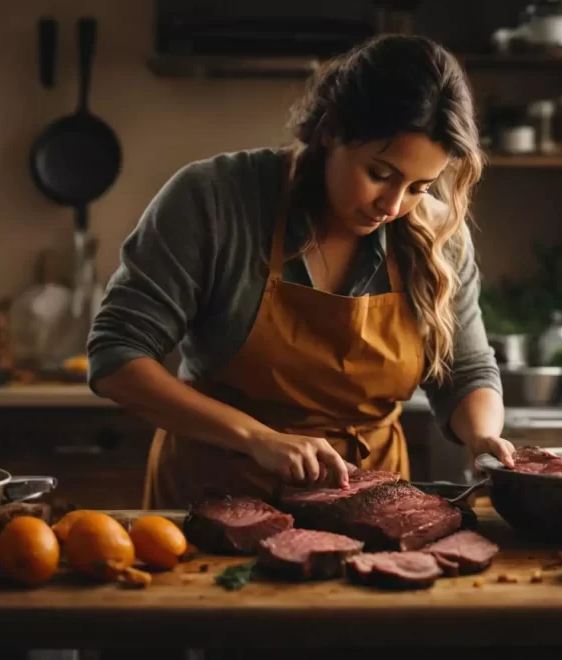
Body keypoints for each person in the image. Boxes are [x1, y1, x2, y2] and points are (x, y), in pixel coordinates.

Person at [87, 34, 514, 510]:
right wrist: (256, 438)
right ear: (332, 130)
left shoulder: (438, 234)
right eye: (380, 173)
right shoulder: (214, 200)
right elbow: (117, 358)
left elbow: (467, 371)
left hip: (370, 506)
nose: (393, 206)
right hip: (216, 496)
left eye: (420, 186)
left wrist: (482, 439)